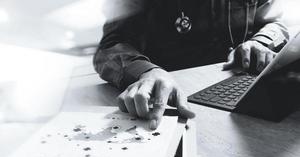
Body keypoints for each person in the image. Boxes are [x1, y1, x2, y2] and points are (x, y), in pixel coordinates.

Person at [93, 0, 289, 129]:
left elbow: (275, 23)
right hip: (171, 110)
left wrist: (261, 41)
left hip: (239, 103)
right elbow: (109, 47)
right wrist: (146, 72)